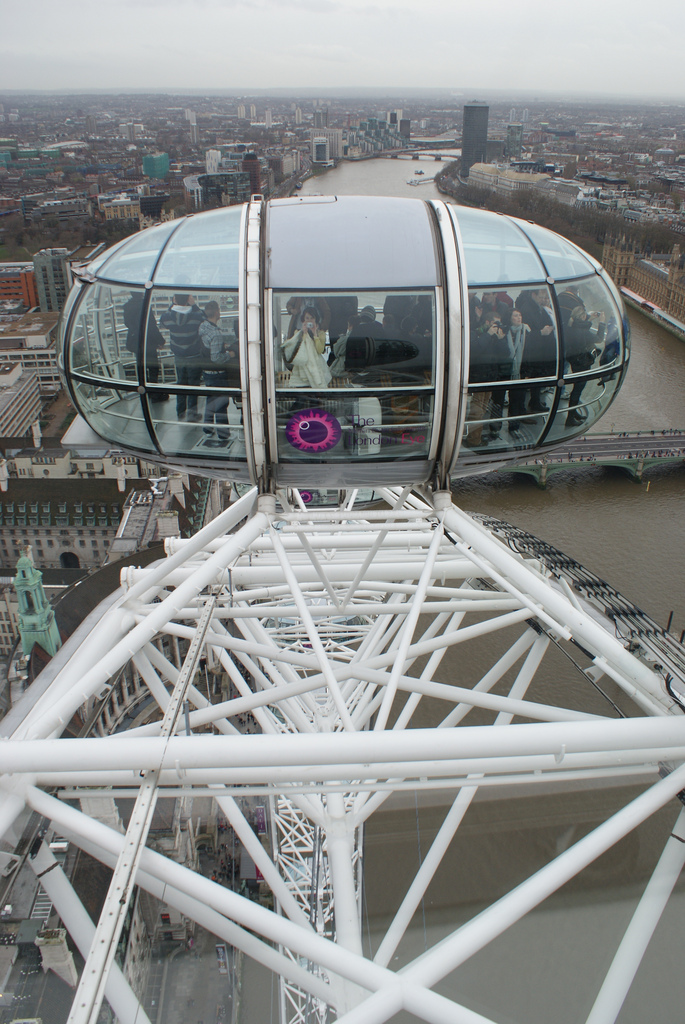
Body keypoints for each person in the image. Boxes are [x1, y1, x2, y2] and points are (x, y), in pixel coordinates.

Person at [199, 300, 240, 446]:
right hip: (217, 373)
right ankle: (223, 434)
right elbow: (216, 358)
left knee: (210, 401)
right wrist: (230, 355)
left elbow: (207, 347)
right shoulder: (216, 333)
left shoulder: (203, 326)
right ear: (217, 312)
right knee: (222, 403)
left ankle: (207, 429)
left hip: (207, 373)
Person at [159, 293, 205, 421]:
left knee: (181, 383)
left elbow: (162, 321)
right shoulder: (196, 316)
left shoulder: (168, 317)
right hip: (194, 355)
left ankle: (180, 411)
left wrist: (172, 305)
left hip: (179, 355)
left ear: (174, 300)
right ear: (188, 300)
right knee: (193, 385)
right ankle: (192, 414)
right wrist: (194, 305)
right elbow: (205, 318)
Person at [514, 288, 557, 412]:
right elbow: (523, 334)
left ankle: (534, 402)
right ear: (533, 295)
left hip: (538, 351)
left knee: (536, 378)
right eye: (541, 297)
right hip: (530, 353)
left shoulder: (538, 307)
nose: (543, 300)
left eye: (545, 298)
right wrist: (541, 333)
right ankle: (521, 410)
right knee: (526, 381)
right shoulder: (527, 310)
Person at [122, 292, 168, 401]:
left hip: (136, 341)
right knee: (153, 367)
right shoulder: (144, 305)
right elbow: (150, 325)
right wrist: (160, 341)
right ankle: (154, 394)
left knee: (141, 367)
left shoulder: (127, 306)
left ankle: (144, 391)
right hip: (148, 342)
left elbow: (127, 323)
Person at [564, 305, 605, 426]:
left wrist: (590, 319)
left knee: (576, 388)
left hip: (573, 360)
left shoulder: (571, 326)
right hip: (582, 363)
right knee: (578, 390)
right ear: (582, 316)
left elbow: (582, 325)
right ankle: (570, 418)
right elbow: (599, 338)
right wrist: (602, 322)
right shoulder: (583, 332)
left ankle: (574, 412)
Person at [281, 306, 331, 388]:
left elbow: (320, 350)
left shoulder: (321, 333)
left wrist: (315, 334)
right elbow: (297, 349)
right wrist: (303, 333)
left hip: (316, 366)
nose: (309, 320)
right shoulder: (298, 332)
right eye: (307, 318)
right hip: (301, 368)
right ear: (303, 320)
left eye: (312, 318)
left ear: (316, 320)